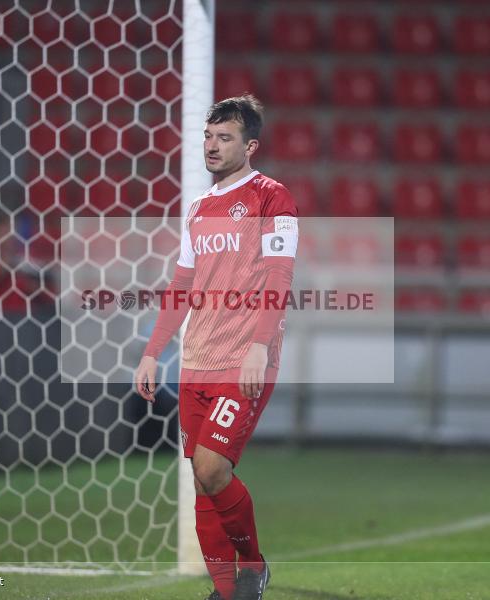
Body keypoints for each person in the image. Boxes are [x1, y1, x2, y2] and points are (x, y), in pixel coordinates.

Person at [134, 95, 298, 600]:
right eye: (208, 136)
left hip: (245, 360)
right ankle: (228, 594)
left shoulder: (273, 197)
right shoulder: (200, 208)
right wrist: (152, 351)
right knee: (203, 484)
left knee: (212, 467)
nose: (212, 145)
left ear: (249, 145)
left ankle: (253, 567)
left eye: (224, 137)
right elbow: (182, 286)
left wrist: (257, 345)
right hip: (196, 361)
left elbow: (279, 275)